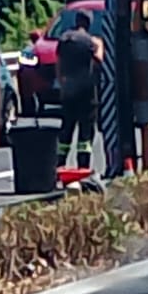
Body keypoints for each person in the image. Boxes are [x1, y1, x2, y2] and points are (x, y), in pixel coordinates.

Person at [56, 11, 103, 173]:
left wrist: (62, 84)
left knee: (66, 130)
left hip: (69, 91)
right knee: (86, 133)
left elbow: (59, 64)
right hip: (87, 93)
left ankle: (59, 165)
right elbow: (100, 60)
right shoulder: (90, 42)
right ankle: (83, 168)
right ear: (88, 24)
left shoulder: (64, 39)